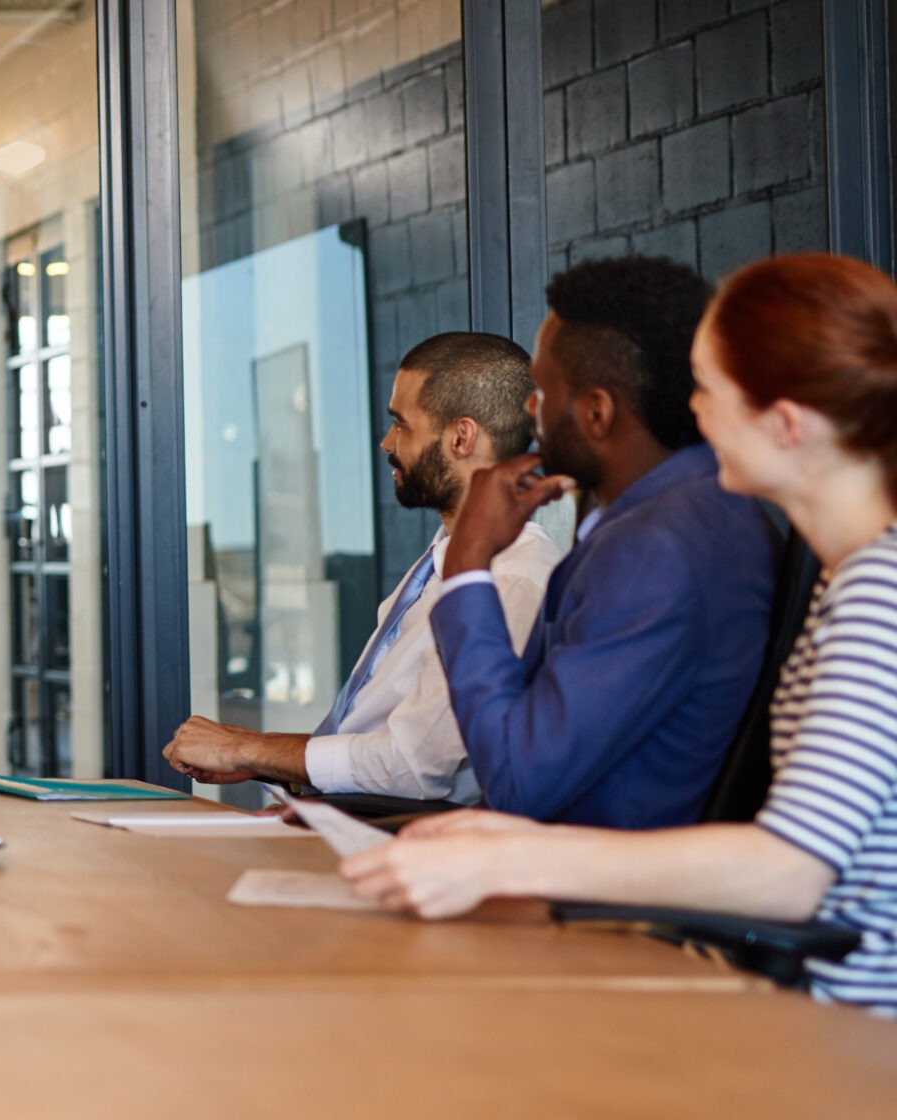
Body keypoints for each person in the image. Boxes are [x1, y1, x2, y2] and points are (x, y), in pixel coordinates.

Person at [345, 254, 897, 1013]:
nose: (690, 412)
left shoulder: (875, 590)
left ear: (786, 424)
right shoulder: (850, 579)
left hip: (839, 1030)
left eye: (710, 391)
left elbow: (793, 870)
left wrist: (517, 859)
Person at [425, 256, 777, 829]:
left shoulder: (656, 548)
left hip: (604, 902)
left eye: (541, 389)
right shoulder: (692, 506)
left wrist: (468, 561)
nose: (529, 409)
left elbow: (519, 777)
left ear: (596, 412)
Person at [163, 333, 563, 801]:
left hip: (400, 849)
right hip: (341, 823)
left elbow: (414, 769)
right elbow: (375, 745)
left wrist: (250, 749)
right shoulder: (434, 568)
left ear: (461, 437)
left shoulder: (513, 582)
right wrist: (264, 761)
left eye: (401, 423)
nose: (386, 441)